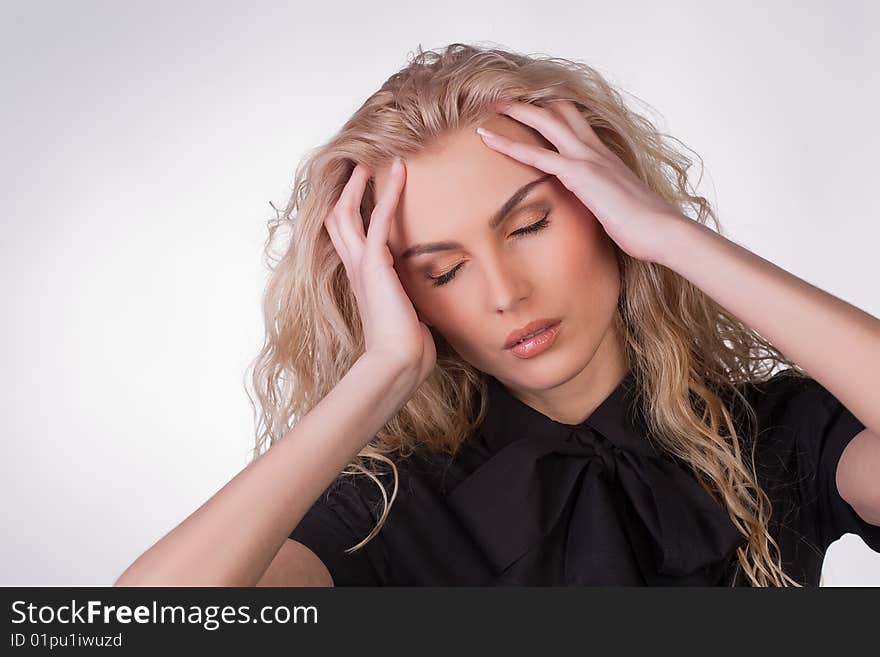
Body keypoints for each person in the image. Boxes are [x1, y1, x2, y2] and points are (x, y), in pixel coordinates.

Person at [113, 42, 880, 588]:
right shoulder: (386, 512)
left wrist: (674, 238)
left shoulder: (780, 435)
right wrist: (378, 374)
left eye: (529, 225)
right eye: (441, 270)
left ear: (605, 202)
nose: (505, 291)